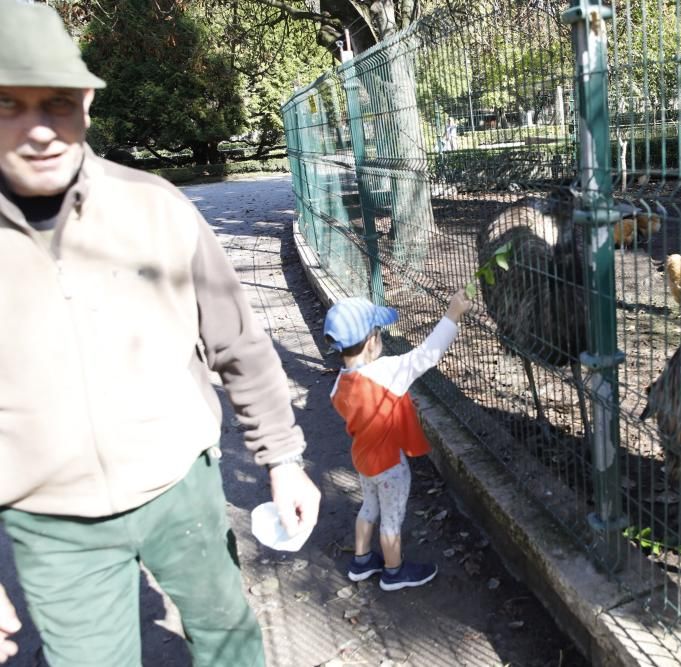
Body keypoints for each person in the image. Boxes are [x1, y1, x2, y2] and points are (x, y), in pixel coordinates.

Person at [0, 3, 320, 666]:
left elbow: (239, 343)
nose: (37, 130)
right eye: (7, 105)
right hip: (52, 526)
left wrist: (283, 458)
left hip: (183, 490)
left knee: (229, 634)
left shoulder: (155, 207)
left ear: (87, 102)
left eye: (56, 102)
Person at [325, 290, 472, 591]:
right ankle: (394, 572)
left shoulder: (340, 383)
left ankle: (362, 561)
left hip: (363, 460)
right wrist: (452, 315)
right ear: (371, 342)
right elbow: (427, 355)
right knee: (391, 520)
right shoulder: (385, 373)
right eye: (378, 332)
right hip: (390, 466)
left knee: (369, 507)